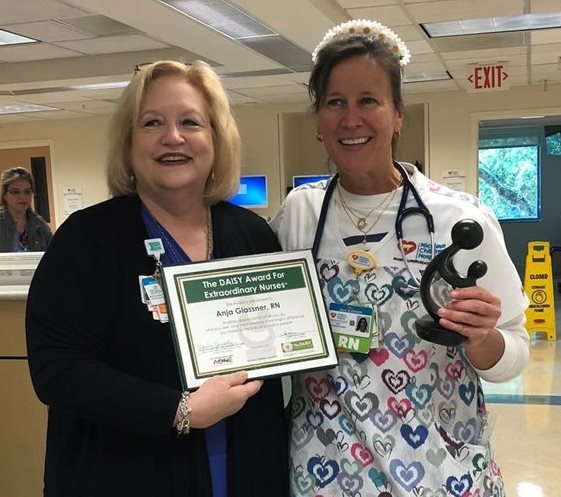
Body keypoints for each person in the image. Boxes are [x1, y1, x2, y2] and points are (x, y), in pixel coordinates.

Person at [271, 19, 529, 497]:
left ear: (398, 115)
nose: (351, 119)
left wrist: (481, 339)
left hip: (441, 470)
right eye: (335, 103)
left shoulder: (458, 218)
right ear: (319, 121)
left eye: (369, 100)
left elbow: (514, 352)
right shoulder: (299, 215)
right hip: (325, 473)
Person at [26, 60, 288, 497]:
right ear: (129, 143)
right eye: (152, 123)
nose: (173, 137)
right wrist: (179, 409)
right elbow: (58, 370)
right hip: (127, 470)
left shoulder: (251, 234)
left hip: (244, 465)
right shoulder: (87, 239)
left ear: (216, 139)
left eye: (191, 122)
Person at [0, 166, 52, 251]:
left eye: (27, 191)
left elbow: (53, 253)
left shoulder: (39, 224)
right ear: (5, 195)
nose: (22, 197)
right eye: (16, 192)